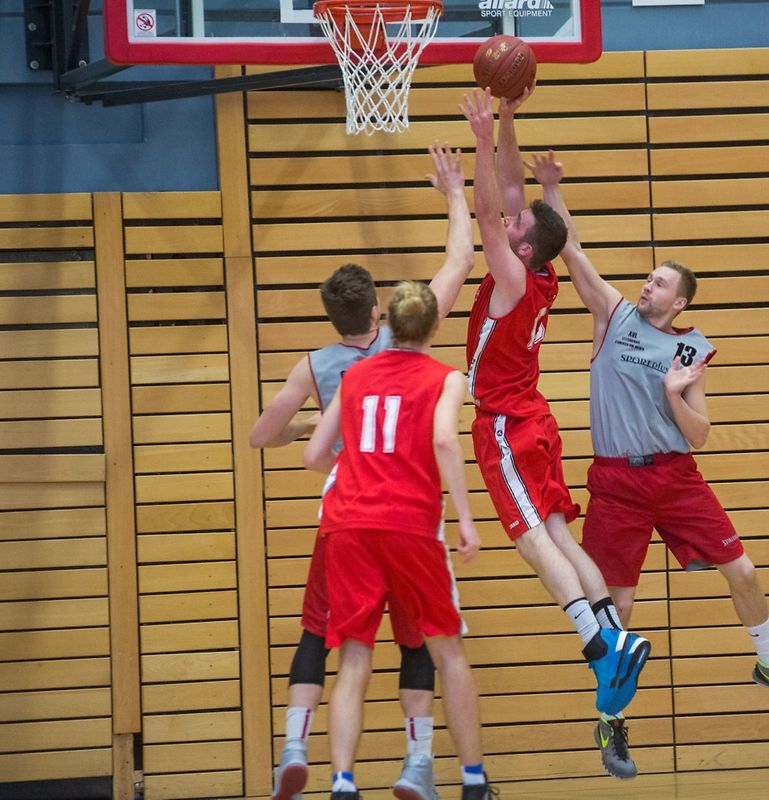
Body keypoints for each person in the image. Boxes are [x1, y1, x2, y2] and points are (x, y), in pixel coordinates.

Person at [525, 148, 769, 781]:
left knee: (743, 570)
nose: (647, 285)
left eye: (660, 283)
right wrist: (551, 188)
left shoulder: (690, 352)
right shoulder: (613, 317)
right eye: (648, 277)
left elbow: (701, 434)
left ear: (680, 302)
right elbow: (571, 249)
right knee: (619, 610)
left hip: (675, 476)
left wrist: (673, 394)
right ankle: (610, 722)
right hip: (616, 483)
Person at [250, 144, 475, 800]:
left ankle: (310, 756)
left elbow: (263, 436)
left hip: (343, 505)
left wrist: (309, 426)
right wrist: (453, 193)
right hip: (405, 507)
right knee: (420, 637)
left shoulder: (320, 367)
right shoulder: (405, 342)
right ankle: (421, 761)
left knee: (328, 634)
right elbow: (459, 260)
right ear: (380, 309)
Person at [460, 86, 650, 720]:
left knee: (532, 541)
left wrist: (482, 140)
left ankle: (599, 648)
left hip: (506, 426)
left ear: (521, 247)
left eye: (516, 224)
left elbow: (489, 213)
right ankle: (616, 636)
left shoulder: (513, 278)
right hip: (535, 418)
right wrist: (507, 120)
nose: (510, 214)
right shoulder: (540, 271)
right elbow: (512, 197)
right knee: (562, 536)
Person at [303, 281, 493, 800]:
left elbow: (315, 454)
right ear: (434, 326)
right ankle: (473, 781)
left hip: (348, 524)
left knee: (353, 657)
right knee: (447, 650)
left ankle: (343, 783)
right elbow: (443, 439)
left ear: (387, 323)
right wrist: (467, 519)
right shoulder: (446, 378)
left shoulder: (356, 376)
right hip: (408, 523)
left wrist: (358, 470)